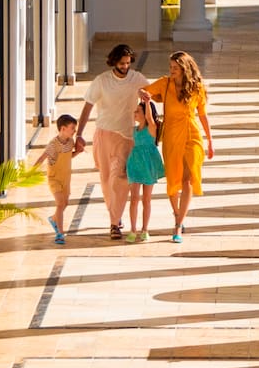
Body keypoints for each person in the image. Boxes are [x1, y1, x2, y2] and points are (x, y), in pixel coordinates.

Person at [74, 43, 150, 240]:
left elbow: (154, 94)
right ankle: (115, 217)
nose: (125, 66)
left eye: (128, 63)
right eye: (122, 63)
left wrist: (144, 95)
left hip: (126, 137)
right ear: (114, 61)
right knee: (107, 180)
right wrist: (79, 134)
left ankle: (114, 223)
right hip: (104, 135)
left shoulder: (137, 78)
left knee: (120, 179)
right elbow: (87, 107)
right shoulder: (102, 81)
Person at [141, 50, 213, 243]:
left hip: (192, 135)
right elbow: (144, 90)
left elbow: (203, 115)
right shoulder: (165, 83)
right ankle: (177, 213)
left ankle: (178, 224)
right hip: (172, 136)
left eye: (175, 67)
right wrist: (145, 95)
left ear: (184, 68)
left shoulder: (197, 87)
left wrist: (210, 140)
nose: (171, 70)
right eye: (170, 67)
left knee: (187, 179)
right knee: (174, 179)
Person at [31, 114, 79, 244]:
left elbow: (69, 156)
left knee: (65, 203)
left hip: (66, 179)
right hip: (54, 179)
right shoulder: (53, 145)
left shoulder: (70, 142)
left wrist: (78, 152)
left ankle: (53, 219)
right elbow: (42, 158)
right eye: (72, 128)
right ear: (63, 128)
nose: (74, 131)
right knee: (60, 204)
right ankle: (60, 233)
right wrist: (31, 172)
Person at [123, 101, 163, 243]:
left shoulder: (152, 127)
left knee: (146, 199)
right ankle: (133, 229)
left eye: (138, 111)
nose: (135, 113)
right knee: (134, 198)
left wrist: (146, 101)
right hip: (135, 164)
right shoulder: (134, 130)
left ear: (146, 114)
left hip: (149, 165)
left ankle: (145, 229)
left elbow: (150, 119)